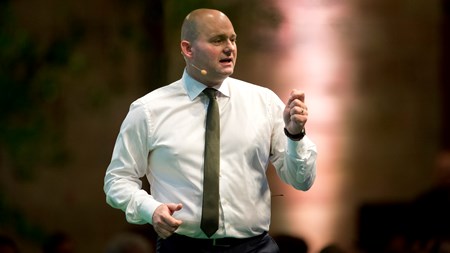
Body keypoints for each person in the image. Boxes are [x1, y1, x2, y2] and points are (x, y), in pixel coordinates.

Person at [104, 8, 317, 253]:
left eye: (232, 39)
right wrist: (151, 209)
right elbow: (117, 180)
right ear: (187, 49)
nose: (230, 48)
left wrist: (294, 136)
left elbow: (302, 181)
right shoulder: (149, 110)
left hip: (254, 247)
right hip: (182, 247)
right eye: (217, 40)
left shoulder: (264, 102)